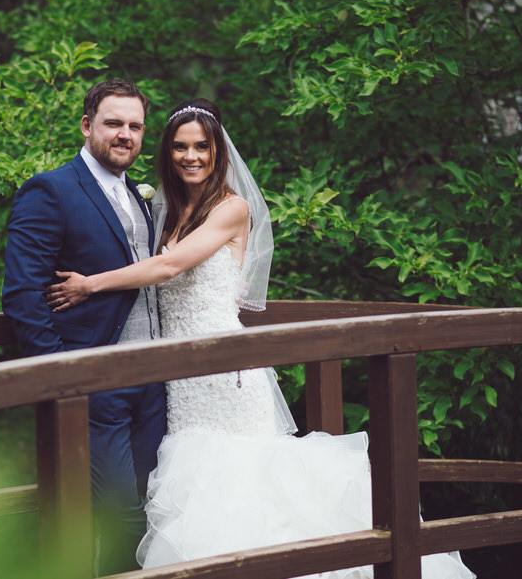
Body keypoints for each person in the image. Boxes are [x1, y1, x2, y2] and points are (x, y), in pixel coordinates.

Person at [46, 99, 475, 578]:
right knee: (194, 488)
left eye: (202, 147)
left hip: (226, 375)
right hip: (181, 384)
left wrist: (90, 283)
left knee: (239, 487)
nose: (191, 156)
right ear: (167, 153)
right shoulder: (163, 212)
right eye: (181, 147)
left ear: (217, 152)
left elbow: (167, 266)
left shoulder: (232, 208)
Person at [1, 79, 164, 576]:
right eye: (114, 123)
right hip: (95, 382)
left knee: (156, 508)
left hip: (154, 381)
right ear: (87, 125)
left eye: (135, 126)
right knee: (120, 513)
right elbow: (22, 295)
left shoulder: (137, 194)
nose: (125, 135)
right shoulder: (51, 190)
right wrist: (64, 376)